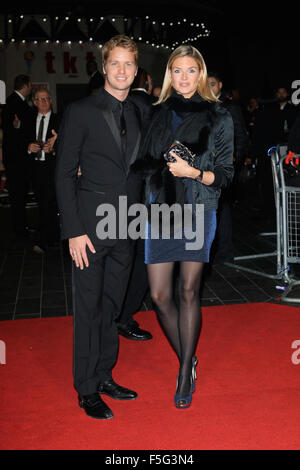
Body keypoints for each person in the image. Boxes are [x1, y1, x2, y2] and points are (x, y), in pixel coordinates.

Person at [138, 45, 234, 409]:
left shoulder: (219, 116)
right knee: (160, 296)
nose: (184, 78)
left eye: (191, 70)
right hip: (161, 210)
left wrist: (192, 171)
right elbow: (143, 162)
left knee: (189, 291)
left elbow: (226, 175)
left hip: (198, 209)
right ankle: (189, 357)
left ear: (201, 73)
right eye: (177, 71)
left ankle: (182, 375)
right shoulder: (157, 113)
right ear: (169, 75)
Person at [55, 35, 144, 420]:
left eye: (129, 65)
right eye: (115, 64)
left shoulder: (141, 111)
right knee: (89, 309)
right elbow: (62, 175)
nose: (122, 71)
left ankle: (105, 374)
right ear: (104, 67)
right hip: (89, 229)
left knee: (111, 307)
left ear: (136, 71)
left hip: (126, 226)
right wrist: (74, 230)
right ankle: (86, 387)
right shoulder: (80, 111)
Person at [116, 67, 155, 341]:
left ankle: (118, 314)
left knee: (126, 258)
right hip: (143, 196)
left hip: (122, 196)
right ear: (149, 83)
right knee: (139, 259)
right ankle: (123, 316)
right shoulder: (150, 107)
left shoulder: (122, 105)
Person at [207, 72, 248, 263]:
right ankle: (213, 250)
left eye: (213, 84)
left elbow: (240, 135)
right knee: (212, 208)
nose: (210, 87)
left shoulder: (230, 107)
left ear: (220, 85)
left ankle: (224, 250)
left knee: (222, 209)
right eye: (207, 84)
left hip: (224, 167)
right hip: (207, 167)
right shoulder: (204, 105)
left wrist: (234, 161)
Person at [26, 87, 60, 253]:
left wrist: (53, 149)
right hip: (36, 168)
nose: (44, 102)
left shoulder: (59, 120)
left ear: (51, 101)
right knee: (44, 204)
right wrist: (28, 147)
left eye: (47, 98)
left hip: (52, 168)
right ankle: (50, 237)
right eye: (40, 99)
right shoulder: (29, 121)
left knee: (50, 204)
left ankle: (43, 240)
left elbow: (68, 144)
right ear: (35, 102)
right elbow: (19, 143)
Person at [2, 75, 33, 239]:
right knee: (18, 195)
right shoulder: (16, 103)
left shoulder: (12, 101)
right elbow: (14, 130)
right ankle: (20, 229)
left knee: (18, 195)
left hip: (14, 158)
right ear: (27, 85)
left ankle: (20, 227)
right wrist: (19, 126)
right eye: (30, 85)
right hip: (17, 159)